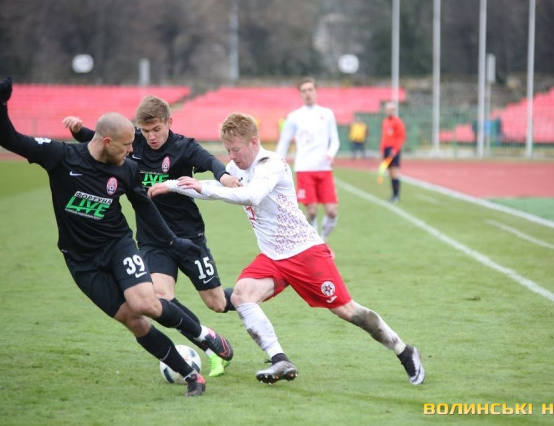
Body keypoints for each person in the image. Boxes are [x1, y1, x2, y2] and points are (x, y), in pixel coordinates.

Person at [148, 112, 425, 386]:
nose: (231, 156)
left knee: (347, 311)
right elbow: (209, 185)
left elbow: (251, 195)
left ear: (253, 141)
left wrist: (203, 188)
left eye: (235, 149)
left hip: (305, 253)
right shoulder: (235, 168)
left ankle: (404, 351)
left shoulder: (272, 164)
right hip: (272, 257)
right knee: (242, 295)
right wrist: (172, 185)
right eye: (227, 150)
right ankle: (280, 359)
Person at [0, 77, 233, 397]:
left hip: (118, 245)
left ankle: (203, 336)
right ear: (107, 142)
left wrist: (172, 241)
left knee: (147, 303)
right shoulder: (60, 157)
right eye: (127, 146)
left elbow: (144, 205)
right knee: (134, 321)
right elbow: (10, 139)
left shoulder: (127, 168)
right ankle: (191, 375)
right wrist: (0, 106)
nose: (132, 151)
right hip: (81, 261)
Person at [62, 95, 240, 377]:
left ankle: (246, 295)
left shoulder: (184, 147)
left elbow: (210, 161)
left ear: (169, 122)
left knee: (216, 303)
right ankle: (210, 346)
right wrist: (77, 131)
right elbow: (101, 141)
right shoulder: (133, 143)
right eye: (145, 131)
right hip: (152, 239)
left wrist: (225, 177)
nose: (151, 137)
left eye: (156, 129)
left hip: (189, 236)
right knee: (161, 298)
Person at [276, 77, 340, 243]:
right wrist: (277, 163)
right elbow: (284, 142)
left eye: (310, 90)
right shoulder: (294, 117)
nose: (307, 93)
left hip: (324, 168)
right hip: (304, 168)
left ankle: (323, 240)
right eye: (304, 91)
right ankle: (315, 245)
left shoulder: (327, 114)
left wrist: (331, 153)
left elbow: (335, 140)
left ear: (316, 91)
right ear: (300, 94)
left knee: (332, 211)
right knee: (311, 212)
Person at [379, 102, 406, 203]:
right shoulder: (385, 121)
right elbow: (384, 137)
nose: (388, 111)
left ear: (394, 110)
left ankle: (396, 196)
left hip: (393, 150)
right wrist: (382, 150)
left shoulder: (398, 122)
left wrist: (395, 149)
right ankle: (393, 195)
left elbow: (401, 137)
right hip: (386, 149)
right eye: (387, 109)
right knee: (390, 172)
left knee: (395, 172)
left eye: (390, 109)